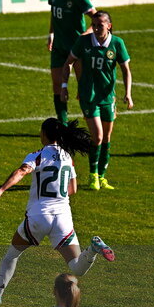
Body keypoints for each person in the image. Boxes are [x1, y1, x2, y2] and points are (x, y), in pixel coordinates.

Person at [0, 118, 115, 305]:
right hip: (63, 218)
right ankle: (92, 249)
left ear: (44, 134)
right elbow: (73, 189)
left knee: (11, 255)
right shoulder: (68, 157)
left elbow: (22, 171)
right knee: (76, 267)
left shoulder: (38, 155)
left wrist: (1, 190)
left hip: (38, 217)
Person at [61, 10, 133, 191]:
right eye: (94, 25)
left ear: (109, 25)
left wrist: (128, 93)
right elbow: (69, 61)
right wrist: (64, 87)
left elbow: (126, 70)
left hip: (108, 98)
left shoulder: (117, 43)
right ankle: (93, 175)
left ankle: (102, 176)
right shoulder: (84, 41)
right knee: (98, 136)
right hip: (89, 96)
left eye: (100, 25)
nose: (96, 28)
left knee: (107, 137)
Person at [47, 0, 96, 124]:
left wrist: (85, 35)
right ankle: (63, 124)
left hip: (77, 49)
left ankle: (92, 118)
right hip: (59, 48)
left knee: (83, 87)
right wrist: (51, 33)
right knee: (57, 85)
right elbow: (54, 14)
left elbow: (96, 19)